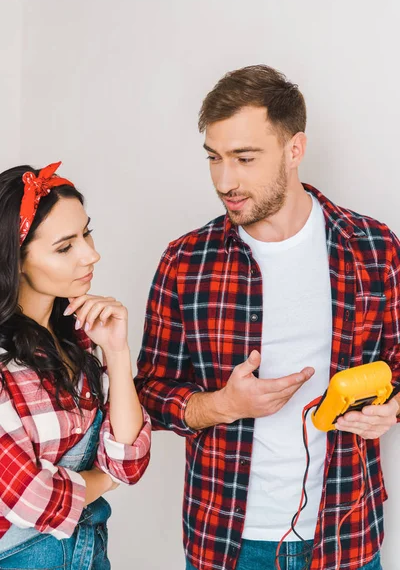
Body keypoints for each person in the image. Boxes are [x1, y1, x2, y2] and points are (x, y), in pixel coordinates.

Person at [136, 65, 400, 570]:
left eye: (244, 158)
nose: (224, 180)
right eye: (214, 158)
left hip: (347, 534)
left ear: (294, 149)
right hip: (228, 542)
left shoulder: (373, 248)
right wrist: (220, 405)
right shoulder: (186, 261)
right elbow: (150, 390)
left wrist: (392, 409)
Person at [0, 162, 151, 569]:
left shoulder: (82, 336)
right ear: (15, 261)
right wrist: (103, 480)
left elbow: (130, 460)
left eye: (86, 232)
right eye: (65, 247)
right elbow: (30, 498)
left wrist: (117, 352)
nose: (92, 253)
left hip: (91, 554)